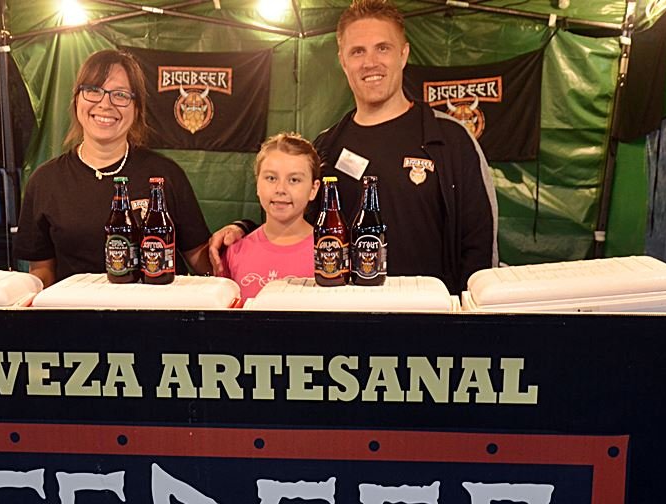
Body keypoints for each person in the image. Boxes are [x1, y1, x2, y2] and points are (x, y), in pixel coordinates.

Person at [209, 0, 497, 295]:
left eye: (382, 48)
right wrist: (244, 230)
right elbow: (293, 220)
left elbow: (480, 243)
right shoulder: (327, 147)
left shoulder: (451, 140)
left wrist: (469, 313)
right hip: (345, 314)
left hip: (431, 314)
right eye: (357, 51)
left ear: (403, 54)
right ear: (343, 61)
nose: (370, 62)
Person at [15, 49, 212, 287]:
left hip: (154, 309)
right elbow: (42, 272)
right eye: (93, 90)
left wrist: (242, 231)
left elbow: (203, 260)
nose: (105, 104)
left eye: (120, 95)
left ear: (137, 108)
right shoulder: (45, 181)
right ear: (76, 100)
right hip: (78, 309)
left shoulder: (164, 175)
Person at [220, 132, 320, 299]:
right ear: (257, 184)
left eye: (294, 180)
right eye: (271, 178)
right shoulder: (234, 252)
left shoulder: (330, 254)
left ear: (313, 189)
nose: (281, 189)